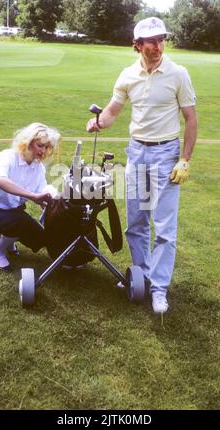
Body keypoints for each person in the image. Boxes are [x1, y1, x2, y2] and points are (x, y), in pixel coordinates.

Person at [86, 17, 197, 314]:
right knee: (136, 223)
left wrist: (184, 160)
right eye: (151, 42)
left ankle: (159, 289)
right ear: (137, 45)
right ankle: (141, 278)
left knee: (164, 227)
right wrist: (98, 122)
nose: (157, 46)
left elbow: (191, 119)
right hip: (136, 153)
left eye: (161, 40)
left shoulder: (178, 73)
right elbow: (112, 111)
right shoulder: (127, 76)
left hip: (165, 155)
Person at [0, 123, 60, 271]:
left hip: (14, 212)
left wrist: (56, 197)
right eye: (40, 145)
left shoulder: (38, 167)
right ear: (28, 142)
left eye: (47, 147)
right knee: (19, 223)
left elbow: (43, 189)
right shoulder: (7, 156)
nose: (43, 151)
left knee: (41, 238)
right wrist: (32, 196)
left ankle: (8, 240)